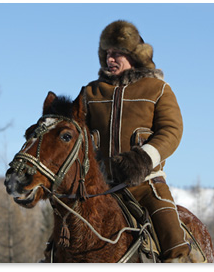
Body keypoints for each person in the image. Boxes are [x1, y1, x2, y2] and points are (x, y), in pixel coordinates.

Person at [83, 20, 190, 262]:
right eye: (107, 53)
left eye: (117, 53)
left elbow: (172, 130)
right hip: (98, 189)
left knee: (173, 242)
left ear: (134, 56)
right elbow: (73, 131)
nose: (110, 59)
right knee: (61, 239)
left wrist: (144, 158)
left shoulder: (157, 89)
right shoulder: (90, 92)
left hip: (145, 184)